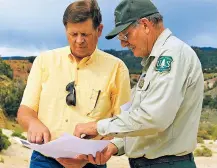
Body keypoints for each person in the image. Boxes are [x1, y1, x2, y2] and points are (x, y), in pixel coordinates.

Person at [73, 0, 204, 168]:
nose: (123, 43)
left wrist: (98, 127)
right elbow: (140, 119)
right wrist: (115, 145)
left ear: (145, 25)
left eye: (125, 35)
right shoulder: (153, 62)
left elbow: (154, 118)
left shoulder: (171, 55)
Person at [17, 0, 131, 168]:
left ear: (99, 30)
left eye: (85, 34)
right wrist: (33, 123)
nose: (79, 41)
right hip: (44, 160)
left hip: (92, 162)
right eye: (73, 34)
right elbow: (25, 111)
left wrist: (92, 154)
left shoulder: (117, 68)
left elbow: (123, 123)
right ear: (66, 30)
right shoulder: (44, 61)